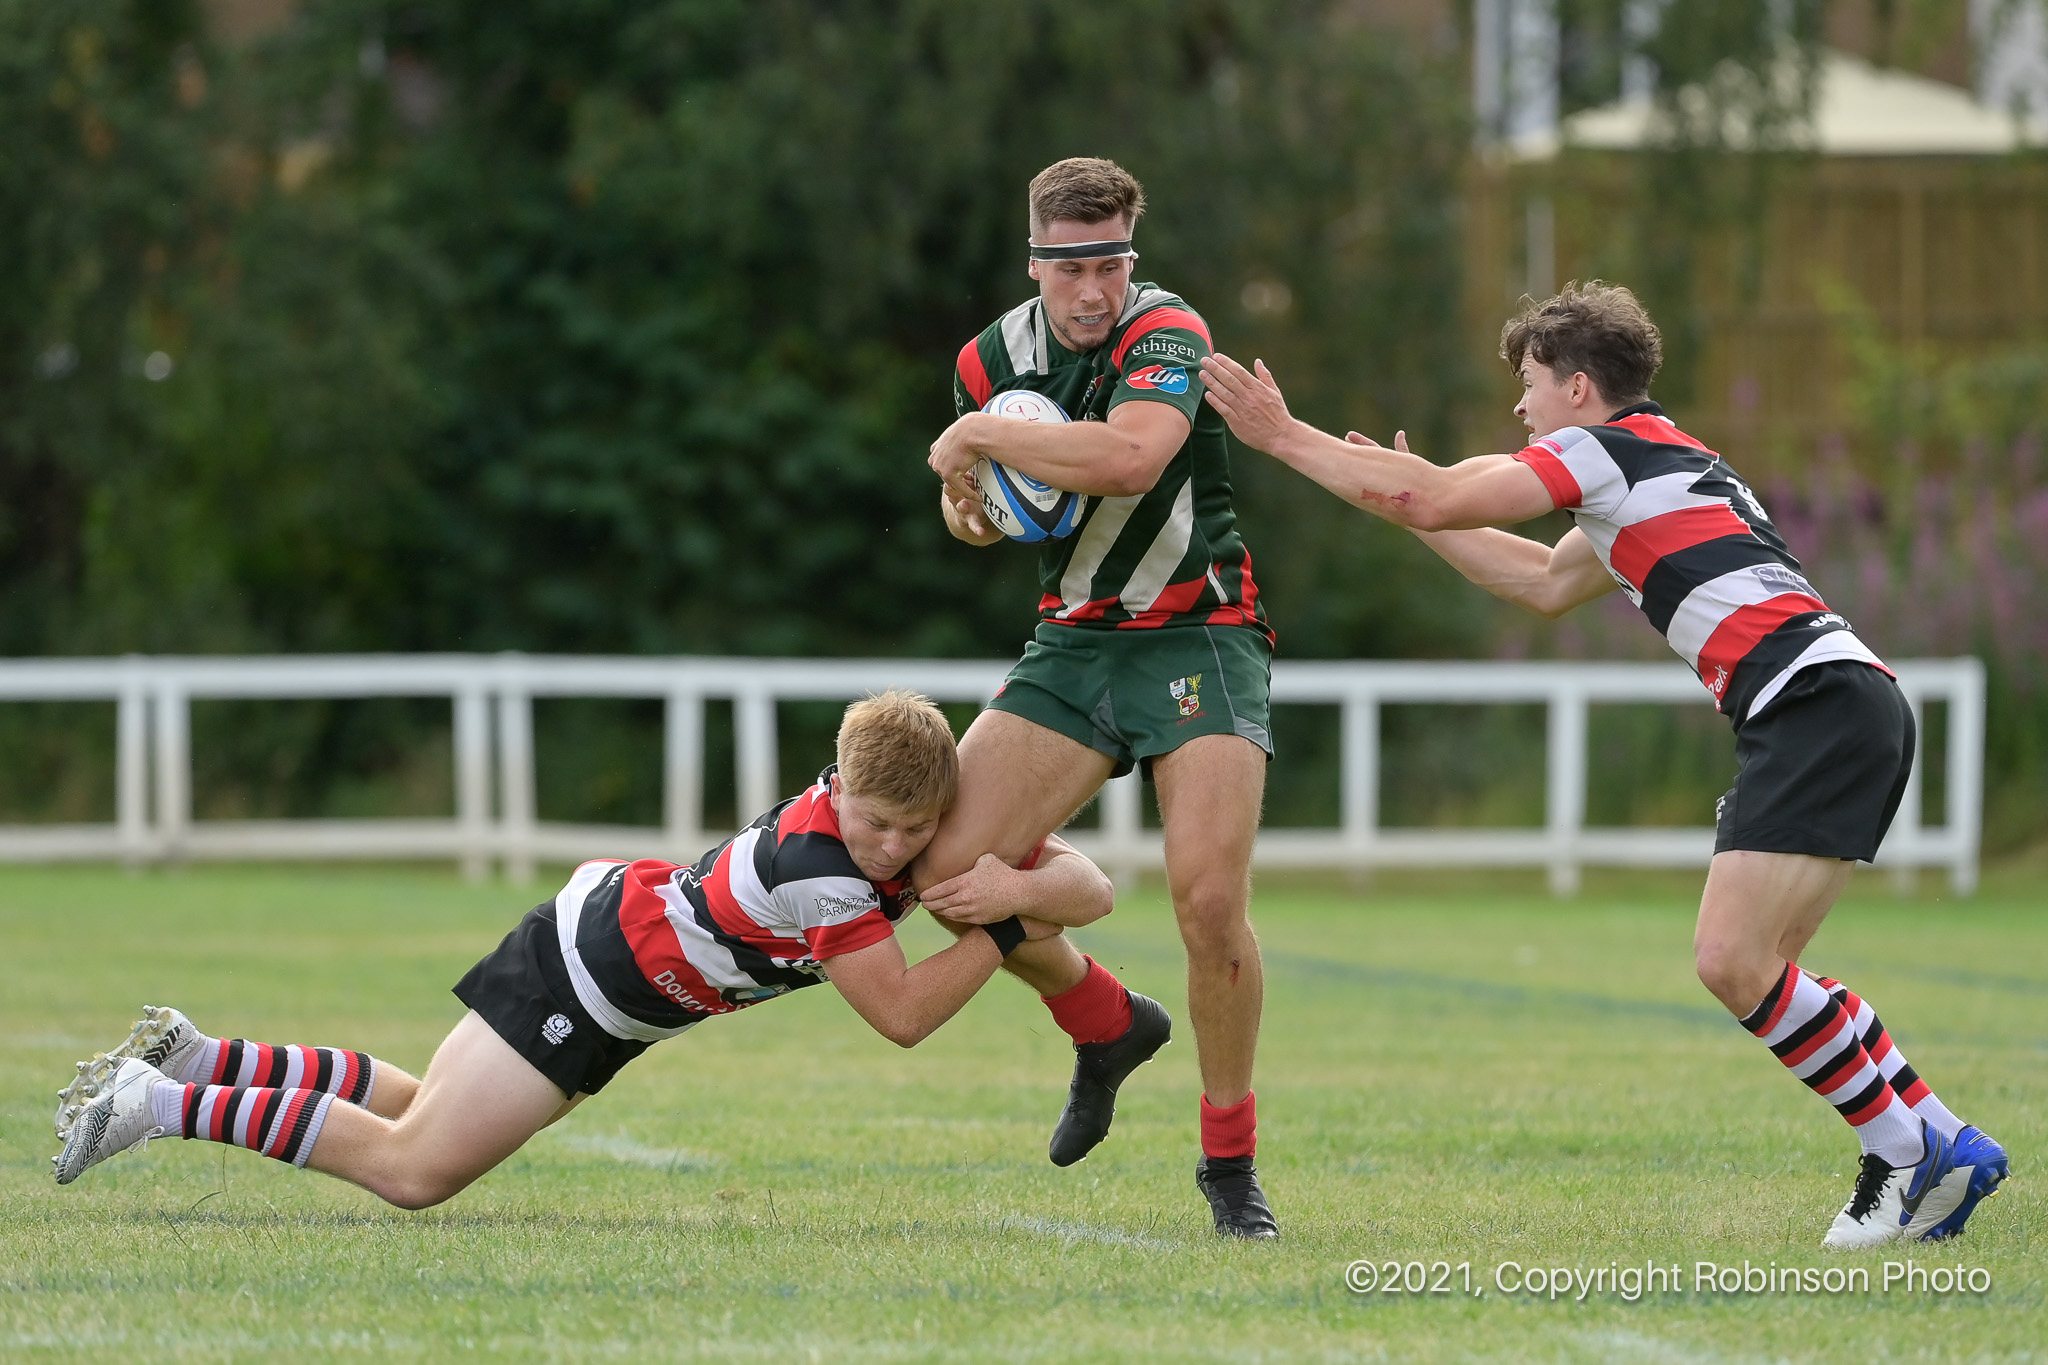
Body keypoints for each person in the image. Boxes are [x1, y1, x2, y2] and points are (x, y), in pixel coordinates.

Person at [1197, 281, 2008, 1249]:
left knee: (1731, 961)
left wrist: (1286, 436)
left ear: (1578, 388)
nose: (1519, 406)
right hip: (1839, 703)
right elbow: (1536, 581)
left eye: (1529, 383)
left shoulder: (1597, 450)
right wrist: (1413, 510)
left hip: (1813, 707)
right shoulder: (1658, 461)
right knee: (1767, 966)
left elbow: (1436, 491)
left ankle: (1905, 1154)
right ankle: (1938, 1131)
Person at [51, 690, 1111, 1204]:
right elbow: (903, 1018)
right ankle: (159, 1105)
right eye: (876, 821)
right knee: (416, 1171)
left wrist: (1014, 880)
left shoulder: (906, 820)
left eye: (917, 831)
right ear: (835, 784)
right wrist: (1007, 921)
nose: (895, 846)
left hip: (604, 945)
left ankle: (202, 1057)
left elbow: (1096, 886)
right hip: (596, 975)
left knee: (416, 1107)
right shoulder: (824, 868)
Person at [920, 157, 1280, 1238]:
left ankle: (1227, 1168)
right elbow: (976, 523)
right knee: (942, 871)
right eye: (1071, 267)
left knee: (1207, 900)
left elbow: (1131, 458)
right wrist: (974, 499)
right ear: (1035, 262)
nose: (1094, 289)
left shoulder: (1166, 332)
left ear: (1133, 252)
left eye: (1112, 261)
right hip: (1071, 642)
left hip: (1201, 630)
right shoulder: (985, 361)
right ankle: (1104, 1019)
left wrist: (982, 439)